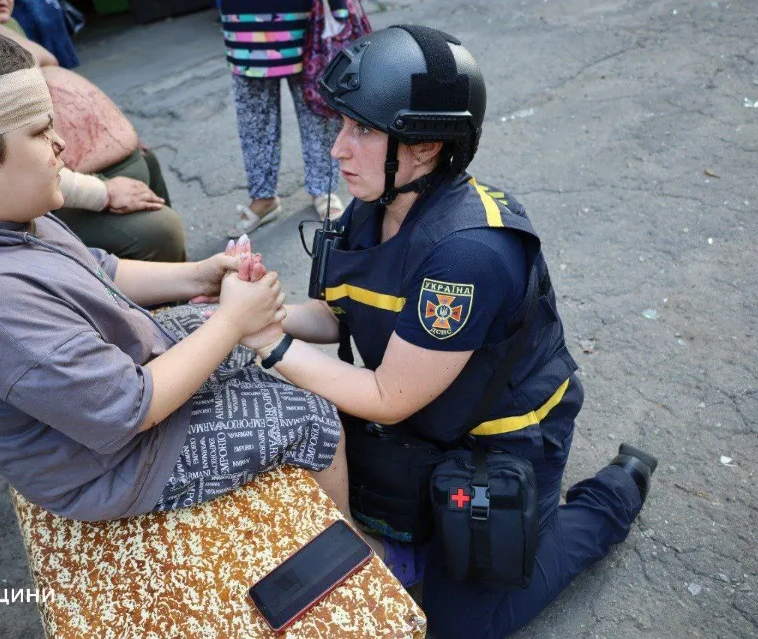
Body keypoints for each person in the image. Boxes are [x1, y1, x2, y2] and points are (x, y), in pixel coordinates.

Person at [239, 26, 658, 638]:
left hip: (500, 439)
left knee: (463, 625)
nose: (337, 149)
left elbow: (388, 395)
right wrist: (255, 310)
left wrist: (266, 344)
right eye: (342, 125)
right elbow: (336, 315)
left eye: (362, 130)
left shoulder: (469, 252)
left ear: (428, 144)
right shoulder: (374, 205)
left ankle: (613, 494)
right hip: (423, 423)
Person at [0, 26, 363, 529]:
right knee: (312, 417)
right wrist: (233, 322)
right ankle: (358, 552)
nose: (61, 143)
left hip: (118, 395)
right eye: (41, 132)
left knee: (228, 335)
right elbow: (129, 409)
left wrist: (199, 274)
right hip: (113, 468)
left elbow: (101, 271)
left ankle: (306, 336)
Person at [0, 0, 185, 262]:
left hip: (86, 170)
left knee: (156, 187)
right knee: (158, 234)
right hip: (60, 187)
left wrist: (116, 131)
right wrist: (100, 193)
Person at [219, 0, 349, 238]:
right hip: (243, 16)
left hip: (304, 12)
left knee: (317, 105)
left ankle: (324, 189)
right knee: (254, 117)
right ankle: (263, 196)